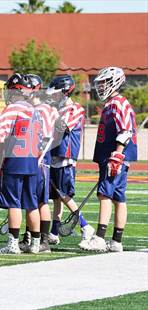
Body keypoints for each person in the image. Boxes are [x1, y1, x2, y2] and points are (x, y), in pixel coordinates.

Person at [0, 73, 42, 254]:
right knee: (32, 204)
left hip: (14, 160)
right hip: (32, 160)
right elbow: (40, 139)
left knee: (14, 203)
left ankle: (13, 244)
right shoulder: (34, 110)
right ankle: (36, 244)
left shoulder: (11, 109)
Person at [80, 67, 137, 252]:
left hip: (115, 157)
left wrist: (117, 155)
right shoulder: (112, 103)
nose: (101, 86)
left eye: (104, 82)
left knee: (104, 195)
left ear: (115, 82)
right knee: (119, 198)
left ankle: (100, 238)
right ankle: (116, 241)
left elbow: (125, 130)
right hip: (114, 156)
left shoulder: (118, 103)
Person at [46, 75, 94, 245]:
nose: (53, 96)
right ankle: (53, 232)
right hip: (54, 156)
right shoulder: (57, 108)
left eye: (56, 93)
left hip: (65, 157)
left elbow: (62, 127)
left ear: (66, 92)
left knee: (62, 194)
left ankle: (85, 225)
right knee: (56, 197)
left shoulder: (75, 109)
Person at [18, 74, 59, 253]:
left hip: (39, 158)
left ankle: (42, 240)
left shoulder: (40, 109)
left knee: (39, 202)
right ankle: (32, 237)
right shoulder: (48, 108)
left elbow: (41, 135)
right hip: (42, 157)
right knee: (35, 200)